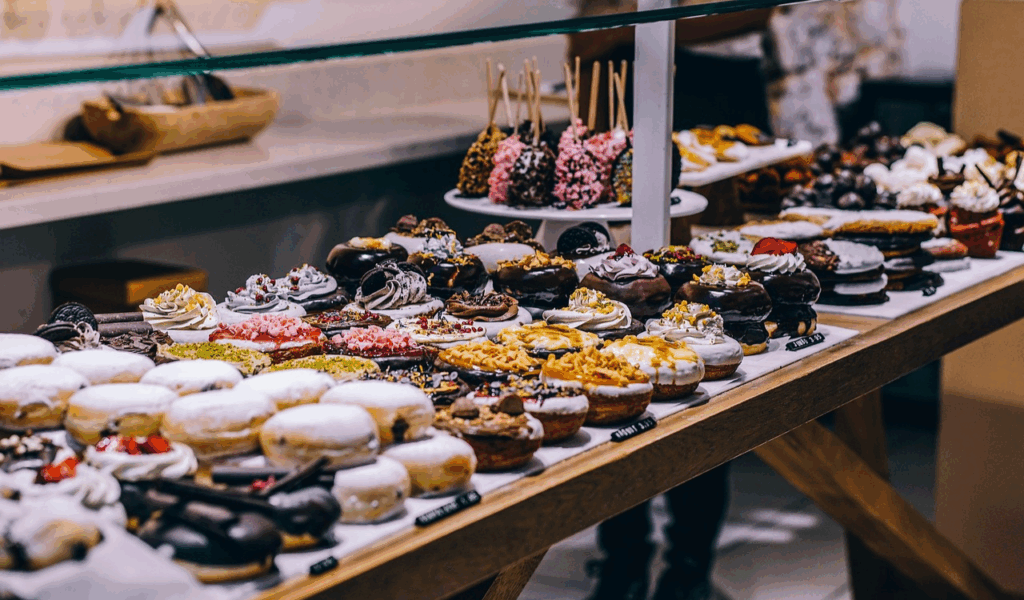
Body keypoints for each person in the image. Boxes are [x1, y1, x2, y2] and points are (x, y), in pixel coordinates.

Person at [568, 6, 775, 600]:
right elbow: (583, 29)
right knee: (617, 347)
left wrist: (638, 24)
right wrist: (606, 37)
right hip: (622, 94)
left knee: (700, 343)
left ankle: (688, 561)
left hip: (713, 95)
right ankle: (623, 556)